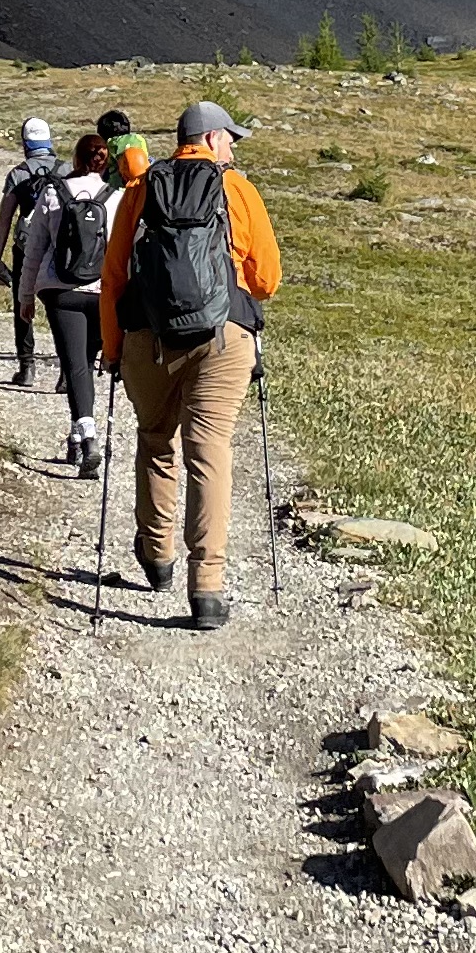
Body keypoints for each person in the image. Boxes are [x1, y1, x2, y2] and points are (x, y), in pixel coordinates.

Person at [98, 100, 282, 627]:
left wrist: (113, 351)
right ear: (211, 139)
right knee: (209, 449)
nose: (233, 147)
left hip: (146, 337)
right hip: (222, 336)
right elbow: (266, 280)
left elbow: (114, 280)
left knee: (157, 441)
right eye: (231, 139)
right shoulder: (238, 190)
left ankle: (157, 557)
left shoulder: (139, 190)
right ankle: (207, 588)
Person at [18, 139, 115, 471]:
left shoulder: (52, 193)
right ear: (105, 162)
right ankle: (80, 434)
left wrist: (26, 294)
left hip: (60, 290)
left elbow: (34, 248)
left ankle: (85, 436)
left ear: (75, 158)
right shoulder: (115, 198)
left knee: (75, 365)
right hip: (103, 292)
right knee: (85, 364)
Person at [0, 118, 64, 389]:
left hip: (25, 246)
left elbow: (4, 220)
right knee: (58, 306)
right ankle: (66, 371)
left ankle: (27, 366)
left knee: (24, 303)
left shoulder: (18, 174)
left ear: (25, 144)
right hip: (57, 248)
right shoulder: (66, 170)